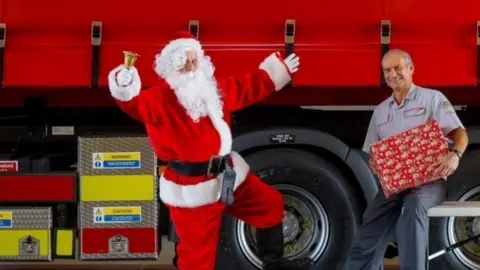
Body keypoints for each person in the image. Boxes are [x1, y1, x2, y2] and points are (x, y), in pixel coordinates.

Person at [107, 31, 313, 270]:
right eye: (184, 62)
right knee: (198, 256)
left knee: (268, 204)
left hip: (227, 176)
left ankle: (274, 264)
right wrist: (125, 84)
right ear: (172, 66)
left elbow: (246, 87)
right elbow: (135, 105)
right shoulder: (159, 99)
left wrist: (277, 73)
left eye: (194, 61)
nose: (191, 67)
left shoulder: (212, 91)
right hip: (193, 187)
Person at [343, 49, 469, 270]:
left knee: (414, 207)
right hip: (394, 185)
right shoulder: (381, 111)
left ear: (411, 69)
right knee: (371, 222)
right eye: (387, 70)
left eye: (397, 68)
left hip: (429, 182)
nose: (392, 74)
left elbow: (460, 133)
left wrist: (455, 155)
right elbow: (373, 152)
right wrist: (375, 163)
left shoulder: (432, 98)